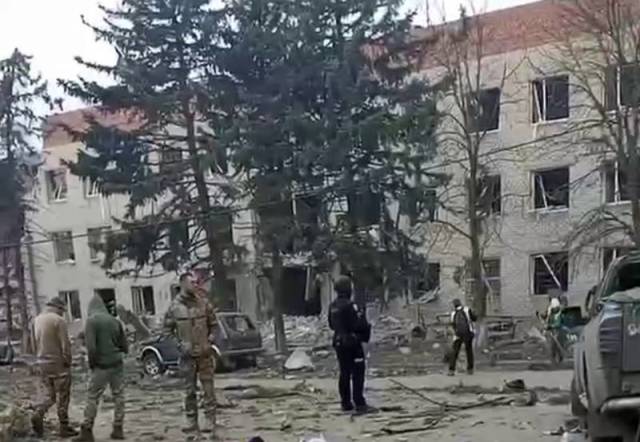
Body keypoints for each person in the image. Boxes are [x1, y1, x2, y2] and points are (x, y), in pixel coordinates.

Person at [164, 272, 218, 438]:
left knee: (208, 389)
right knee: (189, 391)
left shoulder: (204, 303)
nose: (196, 285)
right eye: (192, 282)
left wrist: (210, 340)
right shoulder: (174, 308)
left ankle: (210, 419)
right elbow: (167, 331)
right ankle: (191, 421)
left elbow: (214, 325)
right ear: (183, 284)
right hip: (187, 357)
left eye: (196, 282)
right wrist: (179, 345)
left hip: (204, 354)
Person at [73, 294, 129, 442]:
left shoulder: (92, 321)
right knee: (119, 396)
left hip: (101, 366)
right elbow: (125, 346)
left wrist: (92, 364)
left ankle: (87, 430)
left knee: (93, 397)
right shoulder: (115, 321)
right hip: (117, 364)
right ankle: (118, 429)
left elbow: (91, 347)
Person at [31, 296, 78, 437]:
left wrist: (38, 359)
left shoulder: (37, 320)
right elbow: (65, 344)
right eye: (62, 310)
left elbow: (33, 344)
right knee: (63, 395)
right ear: (58, 308)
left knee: (50, 396)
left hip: (42, 363)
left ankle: (38, 412)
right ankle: (64, 427)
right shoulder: (59, 320)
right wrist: (68, 361)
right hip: (58, 364)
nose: (63, 313)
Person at [328, 275, 372, 414]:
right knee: (358, 372)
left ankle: (345, 403)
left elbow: (331, 325)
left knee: (344, 373)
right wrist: (365, 328)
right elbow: (358, 324)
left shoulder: (333, 305)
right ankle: (359, 402)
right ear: (348, 289)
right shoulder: (351, 305)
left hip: (338, 342)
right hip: (352, 343)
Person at [448, 298, 477, 376]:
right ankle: (470, 369)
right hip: (468, 333)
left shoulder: (453, 313)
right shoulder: (467, 309)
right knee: (469, 351)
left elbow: (453, 325)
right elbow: (474, 319)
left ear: (454, 305)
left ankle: (451, 370)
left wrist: (455, 333)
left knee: (455, 352)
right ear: (460, 303)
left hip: (458, 334)